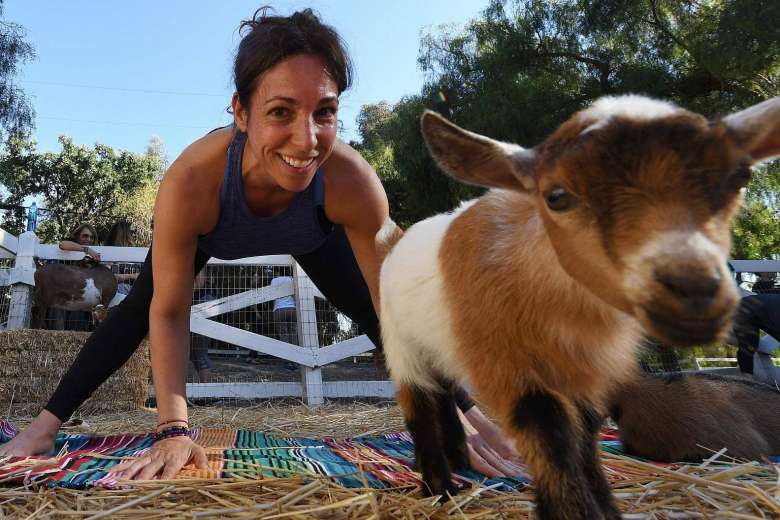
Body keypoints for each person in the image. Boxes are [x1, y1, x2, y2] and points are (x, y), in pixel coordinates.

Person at [0, 7, 520, 479]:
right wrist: (174, 429)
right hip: (215, 228)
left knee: (369, 309)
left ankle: (469, 415)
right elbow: (170, 312)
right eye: (280, 112)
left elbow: (396, 312)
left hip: (312, 233)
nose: (306, 139)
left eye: (325, 112)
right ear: (241, 113)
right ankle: (44, 425)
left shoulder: (352, 183)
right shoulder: (192, 181)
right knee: (140, 305)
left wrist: (446, 418)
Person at [51, 223, 101, 330]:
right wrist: (86, 249)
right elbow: (62, 244)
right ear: (77, 236)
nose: (89, 239)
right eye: (85, 236)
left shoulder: (95, 256)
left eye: (91, 237)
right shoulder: (72, 248)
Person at [190, 268, 213, 383]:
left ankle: (206, 391)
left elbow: (199, 281)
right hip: (199, 303)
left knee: (199, 351)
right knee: (195, 352)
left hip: (203, 304)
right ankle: (199, 391)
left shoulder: (199, 259)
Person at [104, 220, 140, 296]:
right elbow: (108, 278)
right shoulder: (108, 255)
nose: (134, 235)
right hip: (118, 296)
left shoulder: (138, 255)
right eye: (131, 232)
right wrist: (132, 276)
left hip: (137, 297)